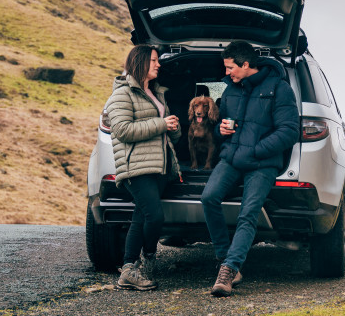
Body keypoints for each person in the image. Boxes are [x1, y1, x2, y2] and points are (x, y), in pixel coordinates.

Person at [201, 40, 300, 296]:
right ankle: (225, 257)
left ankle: (229, 270)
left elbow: (289, 131)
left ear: (246, 64)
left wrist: (256, 150)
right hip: (232, 158)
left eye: (230, 67)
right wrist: (220, 130)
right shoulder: (231, 89)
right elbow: (221, 125)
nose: (227, 73)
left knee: (248, 213)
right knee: (208, 197)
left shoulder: (279, 88)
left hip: (262, 163)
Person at [104, 44, 181, 290]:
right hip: (136, 167)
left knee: (141, 216)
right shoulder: (121, 94)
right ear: (140, 62)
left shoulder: (156, 93)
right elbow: (123, 130)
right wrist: (160, 124)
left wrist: (174, 128)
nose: (159, 64)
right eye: (154, 60)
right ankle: (146, 259)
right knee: (154, 216)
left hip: (158, 167)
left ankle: (131, 269)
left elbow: (168, 135)